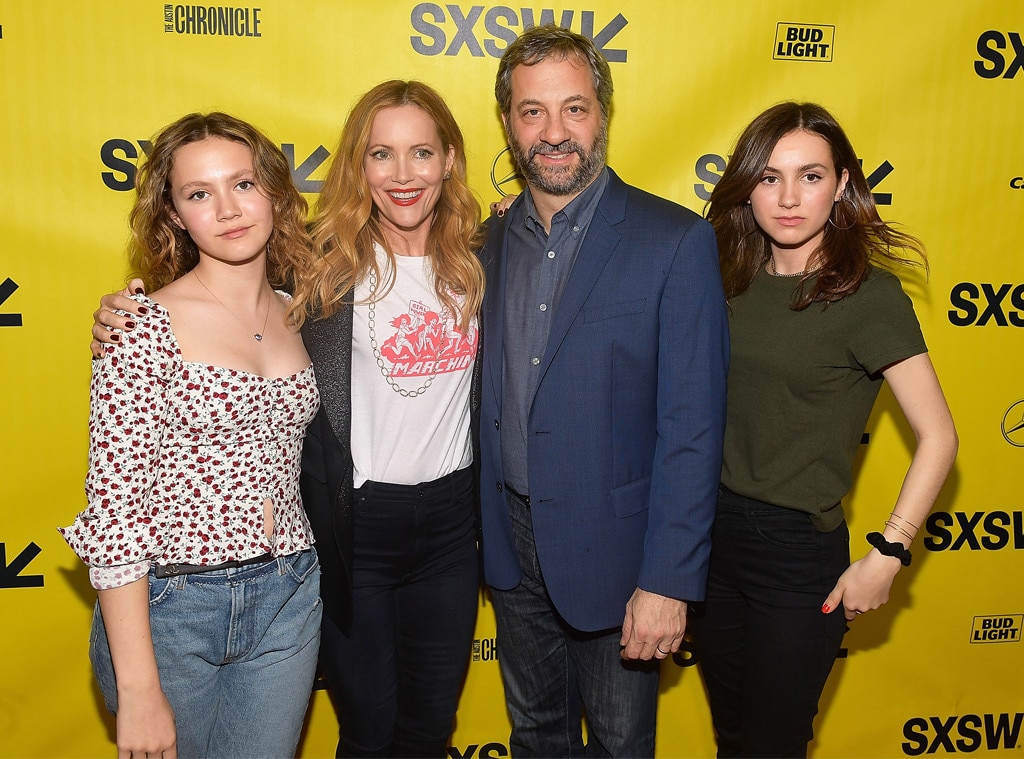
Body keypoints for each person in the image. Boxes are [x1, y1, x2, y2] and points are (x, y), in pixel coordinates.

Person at [90, 81, 486, 758]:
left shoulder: (486, 255)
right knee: (367, 725)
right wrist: (119, 313)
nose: (402, 172)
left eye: (421, 151)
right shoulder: (326, 275)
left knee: (427, 727)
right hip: (312, 546)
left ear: (449, 159)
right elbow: (115, 510)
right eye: (380, 153)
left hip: (344, 565)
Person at [478, 25, 729, 757]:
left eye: (574, 109)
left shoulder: (674, 240)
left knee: (621, 745)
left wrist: (668, 580)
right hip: (512, 548)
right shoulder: (482, 246)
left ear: (604, 114)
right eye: (532, 112)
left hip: (622, 558)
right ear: (508, 122)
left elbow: (694, 427)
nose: (554, 133)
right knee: (535, 735)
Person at [690, 102, 958, 757]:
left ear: (841, 185)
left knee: (775, 744)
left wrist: (891, 552)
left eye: (810, 176)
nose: (788, 197)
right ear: (745, 186)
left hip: (795, 554)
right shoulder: (725, 275)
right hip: (707, 538)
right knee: (732, 738)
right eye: (770, 177)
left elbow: (940, 437)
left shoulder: (867, 297)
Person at [62, 112, 322, 759]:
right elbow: (116, 513)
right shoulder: (141, 327)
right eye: (199, 193)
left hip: (290, 593)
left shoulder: (307, 311)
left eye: (243, 184)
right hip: (173, 607)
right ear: (175, 214)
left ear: (273, 192)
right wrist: (139, 687)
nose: (228, 209)